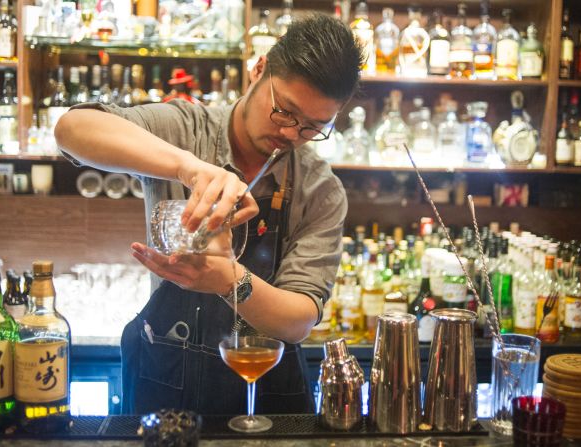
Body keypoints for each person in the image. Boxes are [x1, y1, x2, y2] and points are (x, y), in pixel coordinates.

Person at [55, 14, 364, 415]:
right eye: (285, 112)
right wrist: (189, 167)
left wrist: (228, 280)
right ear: (259, 69)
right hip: (164, 377)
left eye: (312, 128)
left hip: (268, 393)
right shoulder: (186, 129)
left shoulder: (319, 189)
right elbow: (72, 130)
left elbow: (298, 321)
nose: (291, 133)